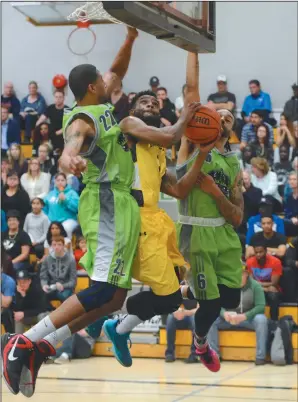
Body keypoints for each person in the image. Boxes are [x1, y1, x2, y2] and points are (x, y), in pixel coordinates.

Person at [1, 28, 198, 398]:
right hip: (105, 202)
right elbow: (70, 143)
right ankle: (22, 342)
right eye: (104, 81)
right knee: (102, 290)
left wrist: (131, 38)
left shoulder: (102, 104)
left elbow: (117, 70)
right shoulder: (83, 119)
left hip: (121, 205)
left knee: (115, 299)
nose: (112, 82)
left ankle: (45, 346)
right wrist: (66, 156)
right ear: (93, 86)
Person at [102, 81, 213, 367]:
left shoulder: (159, 150)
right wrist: (186, 117)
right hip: (135, 219)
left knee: (173, 290)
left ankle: (117, 325)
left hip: (157, 220)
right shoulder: (128, 128)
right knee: (169, 295)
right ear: (133, 109)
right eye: (145, 102)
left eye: (154, 103)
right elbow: (169, 135)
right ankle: (113, 324)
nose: (150, 104)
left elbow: (178, 190)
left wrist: (202, 154)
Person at [165, 52, 243, 373]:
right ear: (207, 119)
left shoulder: (234, 163)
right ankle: (200, 343)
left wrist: (214, 191)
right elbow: (190, 91)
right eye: (219, 113)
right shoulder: (191, 145)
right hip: (195, 231)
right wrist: (192, 46)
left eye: (229, 117)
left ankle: (186, 287)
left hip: (223, 233)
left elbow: (238, 217)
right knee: (209, 304)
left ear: (232, 128)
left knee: (231, 301)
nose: (223, 118)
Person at [208, 269, 268, 365]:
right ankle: (214, 355)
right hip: (228, 319)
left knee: (261, 319)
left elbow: (261, 306)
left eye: (240, 275)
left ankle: (260, 357)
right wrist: (224, 313)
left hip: (248, 319)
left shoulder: (255, 286)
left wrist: (245, 316)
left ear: (246, 274)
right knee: (210, 318)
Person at [246, 242, 282, 321]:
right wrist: (264, 288)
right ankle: (250, 319)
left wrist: (259, 285)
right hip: (259, 288)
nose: (258, 254)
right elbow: (251, 282)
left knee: (273, 295)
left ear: (265, 251)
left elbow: (274, 283)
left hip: (272, 289)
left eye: (261, 252)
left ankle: (274, 321)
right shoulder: (250, 262)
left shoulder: (275, 262)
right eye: (256, 252)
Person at [13, 269, 51, 334]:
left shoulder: (37, 289)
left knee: (41, 316)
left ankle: (44, 340)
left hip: (40, 314)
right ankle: (18, 340)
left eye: (24, 281)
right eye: (19, 282)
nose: (22, 284)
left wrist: (24, 313)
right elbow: (16, 310)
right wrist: (22, 296)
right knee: (17, 317)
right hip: (27, 317)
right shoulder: (16, 290)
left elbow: (42, 309)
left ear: (29, 281)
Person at [40, 236, 77, 302]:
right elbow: (43, 277)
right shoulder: (47, 259)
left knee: (62, 295)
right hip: (51, 286)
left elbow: (73, 281)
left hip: (66, 287)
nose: (56, 247)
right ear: (51, 246)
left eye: (59, 244)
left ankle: (66, 312)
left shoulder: (71, 260)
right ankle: (47, 311)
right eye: (54, 245)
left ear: (63, 246)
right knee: (41, 294)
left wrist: (63, 286)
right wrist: (44, 285)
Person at [43, 172, 79, 238]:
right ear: (55, 182)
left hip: (68, 220)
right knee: (44, 225)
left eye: (62, 180)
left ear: (66, 182)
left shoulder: (72, 193)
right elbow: (44, 208)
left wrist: (66, 200)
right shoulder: (50, 194)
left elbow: (77, 208)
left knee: (66, 228)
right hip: (52, 221)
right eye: (58, 180)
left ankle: (67, 246)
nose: (60, 182)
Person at [165, 299, 199, 364]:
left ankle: (194, 354)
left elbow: (200, 309)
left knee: (195, 320)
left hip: (192, 315)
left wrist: (186, 312)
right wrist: (175, 312)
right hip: (180, 314)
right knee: (170, 318)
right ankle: (169, 353)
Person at [283, 172, 298, 236]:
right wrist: (292, 218)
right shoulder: (289, 196)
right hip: (292, 221)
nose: (292, 181)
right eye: (290, 179)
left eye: (294, 179)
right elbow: (287, 211)